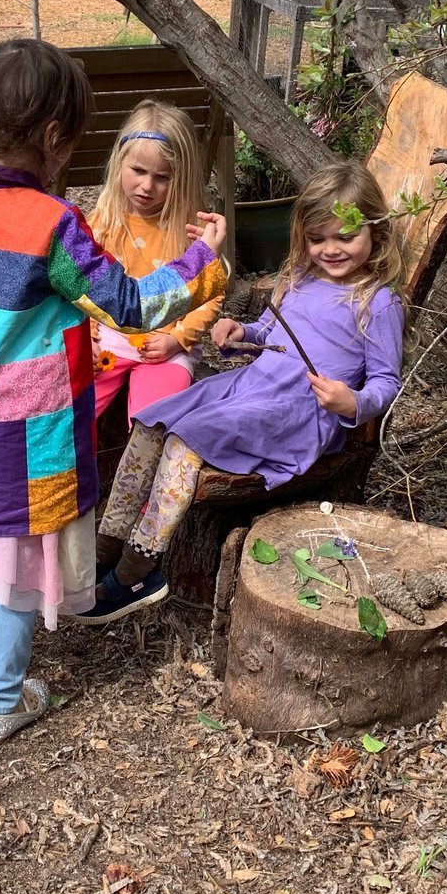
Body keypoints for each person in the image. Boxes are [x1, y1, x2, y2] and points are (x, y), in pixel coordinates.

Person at [0, 38, 227, 743]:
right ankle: (0, 698)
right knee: (18, 558)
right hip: (26, 429)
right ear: (55, 138)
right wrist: (204, 261)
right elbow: (133, 306)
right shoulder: (55, 225)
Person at [86, 160, 405, 623]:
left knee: (185, 440)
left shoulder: (377, 301)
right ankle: (108, 543)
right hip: (251, 386)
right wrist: (242, 332)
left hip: (297, 409)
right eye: (317, 238)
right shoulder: (298, 279)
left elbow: (385, 381)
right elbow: (270, 333)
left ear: (374, 232)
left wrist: (353, 402)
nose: (330, 249)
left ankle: (139, 567)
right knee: (152, 422)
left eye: (344, 237)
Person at [85, 100, 226, 424]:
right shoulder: (101, 223)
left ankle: (143, 474)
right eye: (138, 171)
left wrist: (177, 340)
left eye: (162, 177)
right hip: (106, 342)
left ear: (182, 177)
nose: (147, 186)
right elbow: (82, 288)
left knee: (155, 419)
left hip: (165, 348)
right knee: (73, 412)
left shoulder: (191, 230)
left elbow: (210, 292)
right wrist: (85, 336)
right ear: (120, 163)